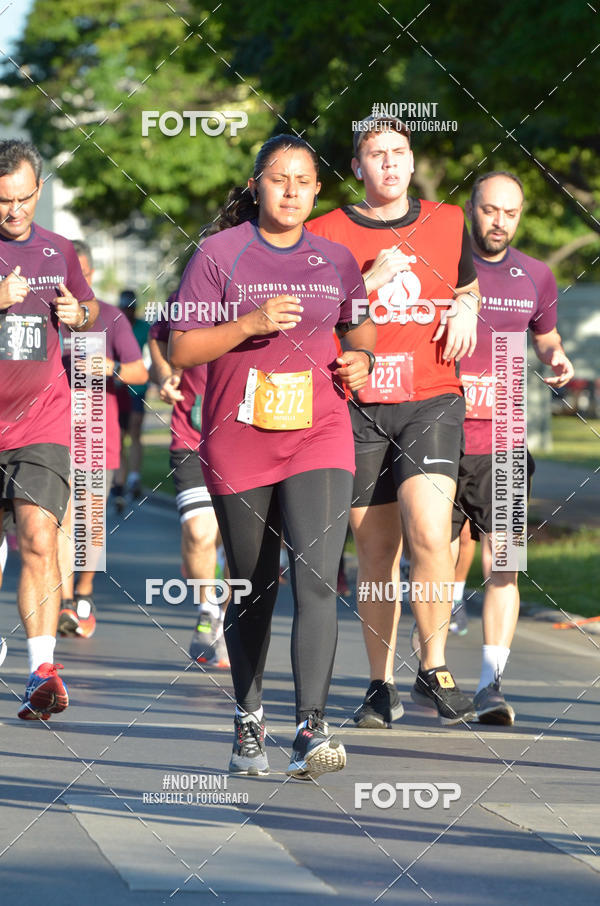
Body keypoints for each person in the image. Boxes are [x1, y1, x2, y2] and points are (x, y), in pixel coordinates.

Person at [169, 134, 376, 778]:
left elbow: (358, 325)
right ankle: (250, 717)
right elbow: (182, 349)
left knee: (317, 578)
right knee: (255, 586)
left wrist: (361, 358)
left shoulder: (337, 259)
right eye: (278, 178)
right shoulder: (218, 254)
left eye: (303, 180)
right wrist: (247, 325)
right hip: (239, 436)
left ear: (318, 191)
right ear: (256, 184)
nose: (290, 190)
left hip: (320, 432)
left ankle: (312, 729)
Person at [308, 114, 480, 727]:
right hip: (355, 405)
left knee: (432, 531)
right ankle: (379, 684)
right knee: (375, 552)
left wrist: (466, 307)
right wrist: (363, 284)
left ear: (411, 161)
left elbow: (467, 284)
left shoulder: (450, 220)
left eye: (399, 152)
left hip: (431, 396)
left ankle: (432, 665)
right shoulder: (324, 232)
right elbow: (307, 318)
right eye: (375, 154)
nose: (389, 163)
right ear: (356, 167)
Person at [451, 170, 574, 724]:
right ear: (471, 208)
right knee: (437, 562)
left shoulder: (537, 275)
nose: (499, 222)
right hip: (438, 433)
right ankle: (428, 668)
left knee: (505, 564)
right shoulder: (441, 264)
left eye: (510, 213)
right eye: (489, 210)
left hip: (503, 439)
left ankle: (490, 686)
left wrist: (557, 359)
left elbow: (545, 334)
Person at [0, 139, 99, 720]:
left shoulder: (59, 251)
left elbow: (87, 312)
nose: (13, 211)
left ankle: (43, 671)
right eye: (2, 201)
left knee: (39, 536)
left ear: (38, 190)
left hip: (41, 418)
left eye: (22, 198)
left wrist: (75, 315)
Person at [56, 241, 147, 637]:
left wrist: (109, 366)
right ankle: (61, 602)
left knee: (90, 521)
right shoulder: (45, 316)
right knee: (60, 521)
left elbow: (140, 373)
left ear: (89, 275)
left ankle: (84, 593)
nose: (77, 282)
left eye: (84, 274)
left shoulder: (110, 317)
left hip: (96, 432)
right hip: (50, 433)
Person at [148, 303, 226, 667]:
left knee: (242, 544)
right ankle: (208, 610)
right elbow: (156, 335)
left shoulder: (265, 282)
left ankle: (228, 618)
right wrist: (165, 374)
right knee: (198, 532)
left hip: (251, 439)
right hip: (192, 435)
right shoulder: (191, 294)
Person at [112, 289, 150, 506]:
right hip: (118, 388)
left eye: (130, 308)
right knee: (119, 436)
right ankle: (120, 482)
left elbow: (149, 357)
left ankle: (134, 476)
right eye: (123, 308)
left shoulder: (144, 328)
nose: (127, 312)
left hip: (138, 387)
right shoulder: (115, 327)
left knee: (135, 430)